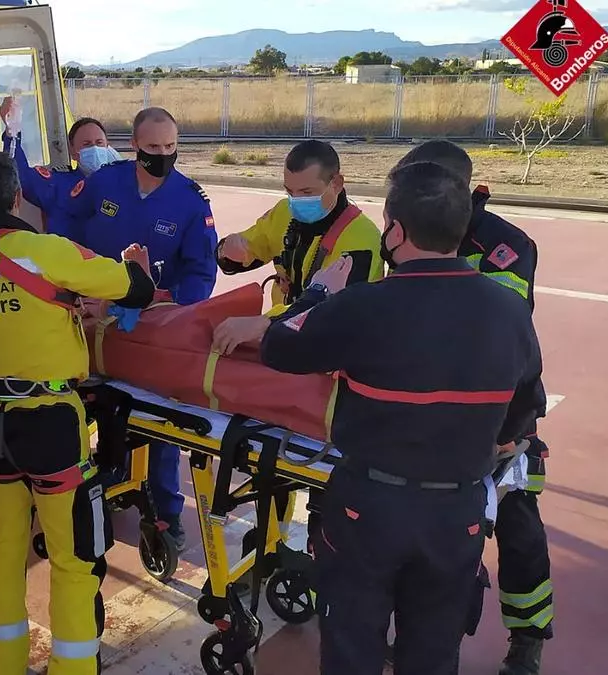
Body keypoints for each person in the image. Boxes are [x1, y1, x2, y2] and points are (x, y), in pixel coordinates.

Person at [259, 160, 545, 675]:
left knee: (351, 647)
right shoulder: (509, 311)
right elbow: (524, 406)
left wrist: (319, 291)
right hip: (456, 512)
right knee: (434, 651)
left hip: (367, 508)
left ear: (395, 231)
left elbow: (279, 346)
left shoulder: (363, 305)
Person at [0, 149, 155, 675]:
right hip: (50, 423)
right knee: (74, 557)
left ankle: (3, 664)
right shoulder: (46, 251)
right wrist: (132, 269)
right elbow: (136, 288)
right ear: (16, 197)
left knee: (1, 551)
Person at [394, 140, 552, 675]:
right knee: (431, 538)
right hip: (428, 414)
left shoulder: (506, 246)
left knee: (518, 530)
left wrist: (507, 434)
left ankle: (527, 638)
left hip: (500, 416)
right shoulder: (404, 232)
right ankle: (429, 641)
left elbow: (502, 340)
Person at [64, 106, 218, 548]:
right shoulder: (104, 183)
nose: (162, 154)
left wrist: (160, 302)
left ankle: (167, 513)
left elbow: (200, 274)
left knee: (160, 420)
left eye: (170, 146)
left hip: (150, 325)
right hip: (90, 320)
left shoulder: (190, 202)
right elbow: (66, 227)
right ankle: (93, 488)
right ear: (133, 145)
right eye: (153, 147)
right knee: (87, 406)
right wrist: (74, 283)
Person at [211, 139, 383, 355]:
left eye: (307, 192)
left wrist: (263, 323)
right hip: (282, 339)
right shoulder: (284, 211)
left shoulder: (362, 238)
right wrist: (227, 251)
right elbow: (250, 247)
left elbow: (332, 313)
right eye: (289, 192)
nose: (296, 201)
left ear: (336, 184)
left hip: (328, 352)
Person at [1, 103, 119, 237]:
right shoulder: (58, 184)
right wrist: (12, 132)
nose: (95, 149)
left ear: (107, 147)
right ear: (72, 151)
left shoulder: (125, 180)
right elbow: (21, 175)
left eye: (99, 143)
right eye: (86, 144)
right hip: (69, 250)